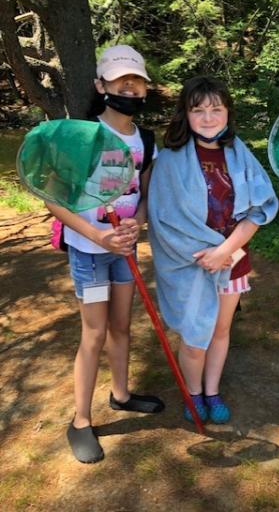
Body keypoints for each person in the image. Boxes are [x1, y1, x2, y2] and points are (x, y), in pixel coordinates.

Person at [46, 45, 165, 464]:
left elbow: (146, 195)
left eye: (137, 80)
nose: (129, 87)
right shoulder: (82, 136)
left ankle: (121, 394)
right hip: (89, 253)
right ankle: (80, 421)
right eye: (120, 80)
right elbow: (55, 201)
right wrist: (97, 236)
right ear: (102, 85)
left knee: (121, 328)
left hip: (124, 251)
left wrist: (139, 224)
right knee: (94, 335)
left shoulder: (146, 140)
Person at [148, 76, 279, 424]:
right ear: (186, 115)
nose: (208, 118)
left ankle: (212, 391)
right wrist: (208, 254)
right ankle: (192, 394)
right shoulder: (171, 160)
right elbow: (162, 220)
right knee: (194, 337)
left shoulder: (239, 154)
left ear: (227, 113)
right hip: (191, 265)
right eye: (199, 110)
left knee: (220, 331)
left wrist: (227, 250)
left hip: (232, 261)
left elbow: (259, 209)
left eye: (216, 109)